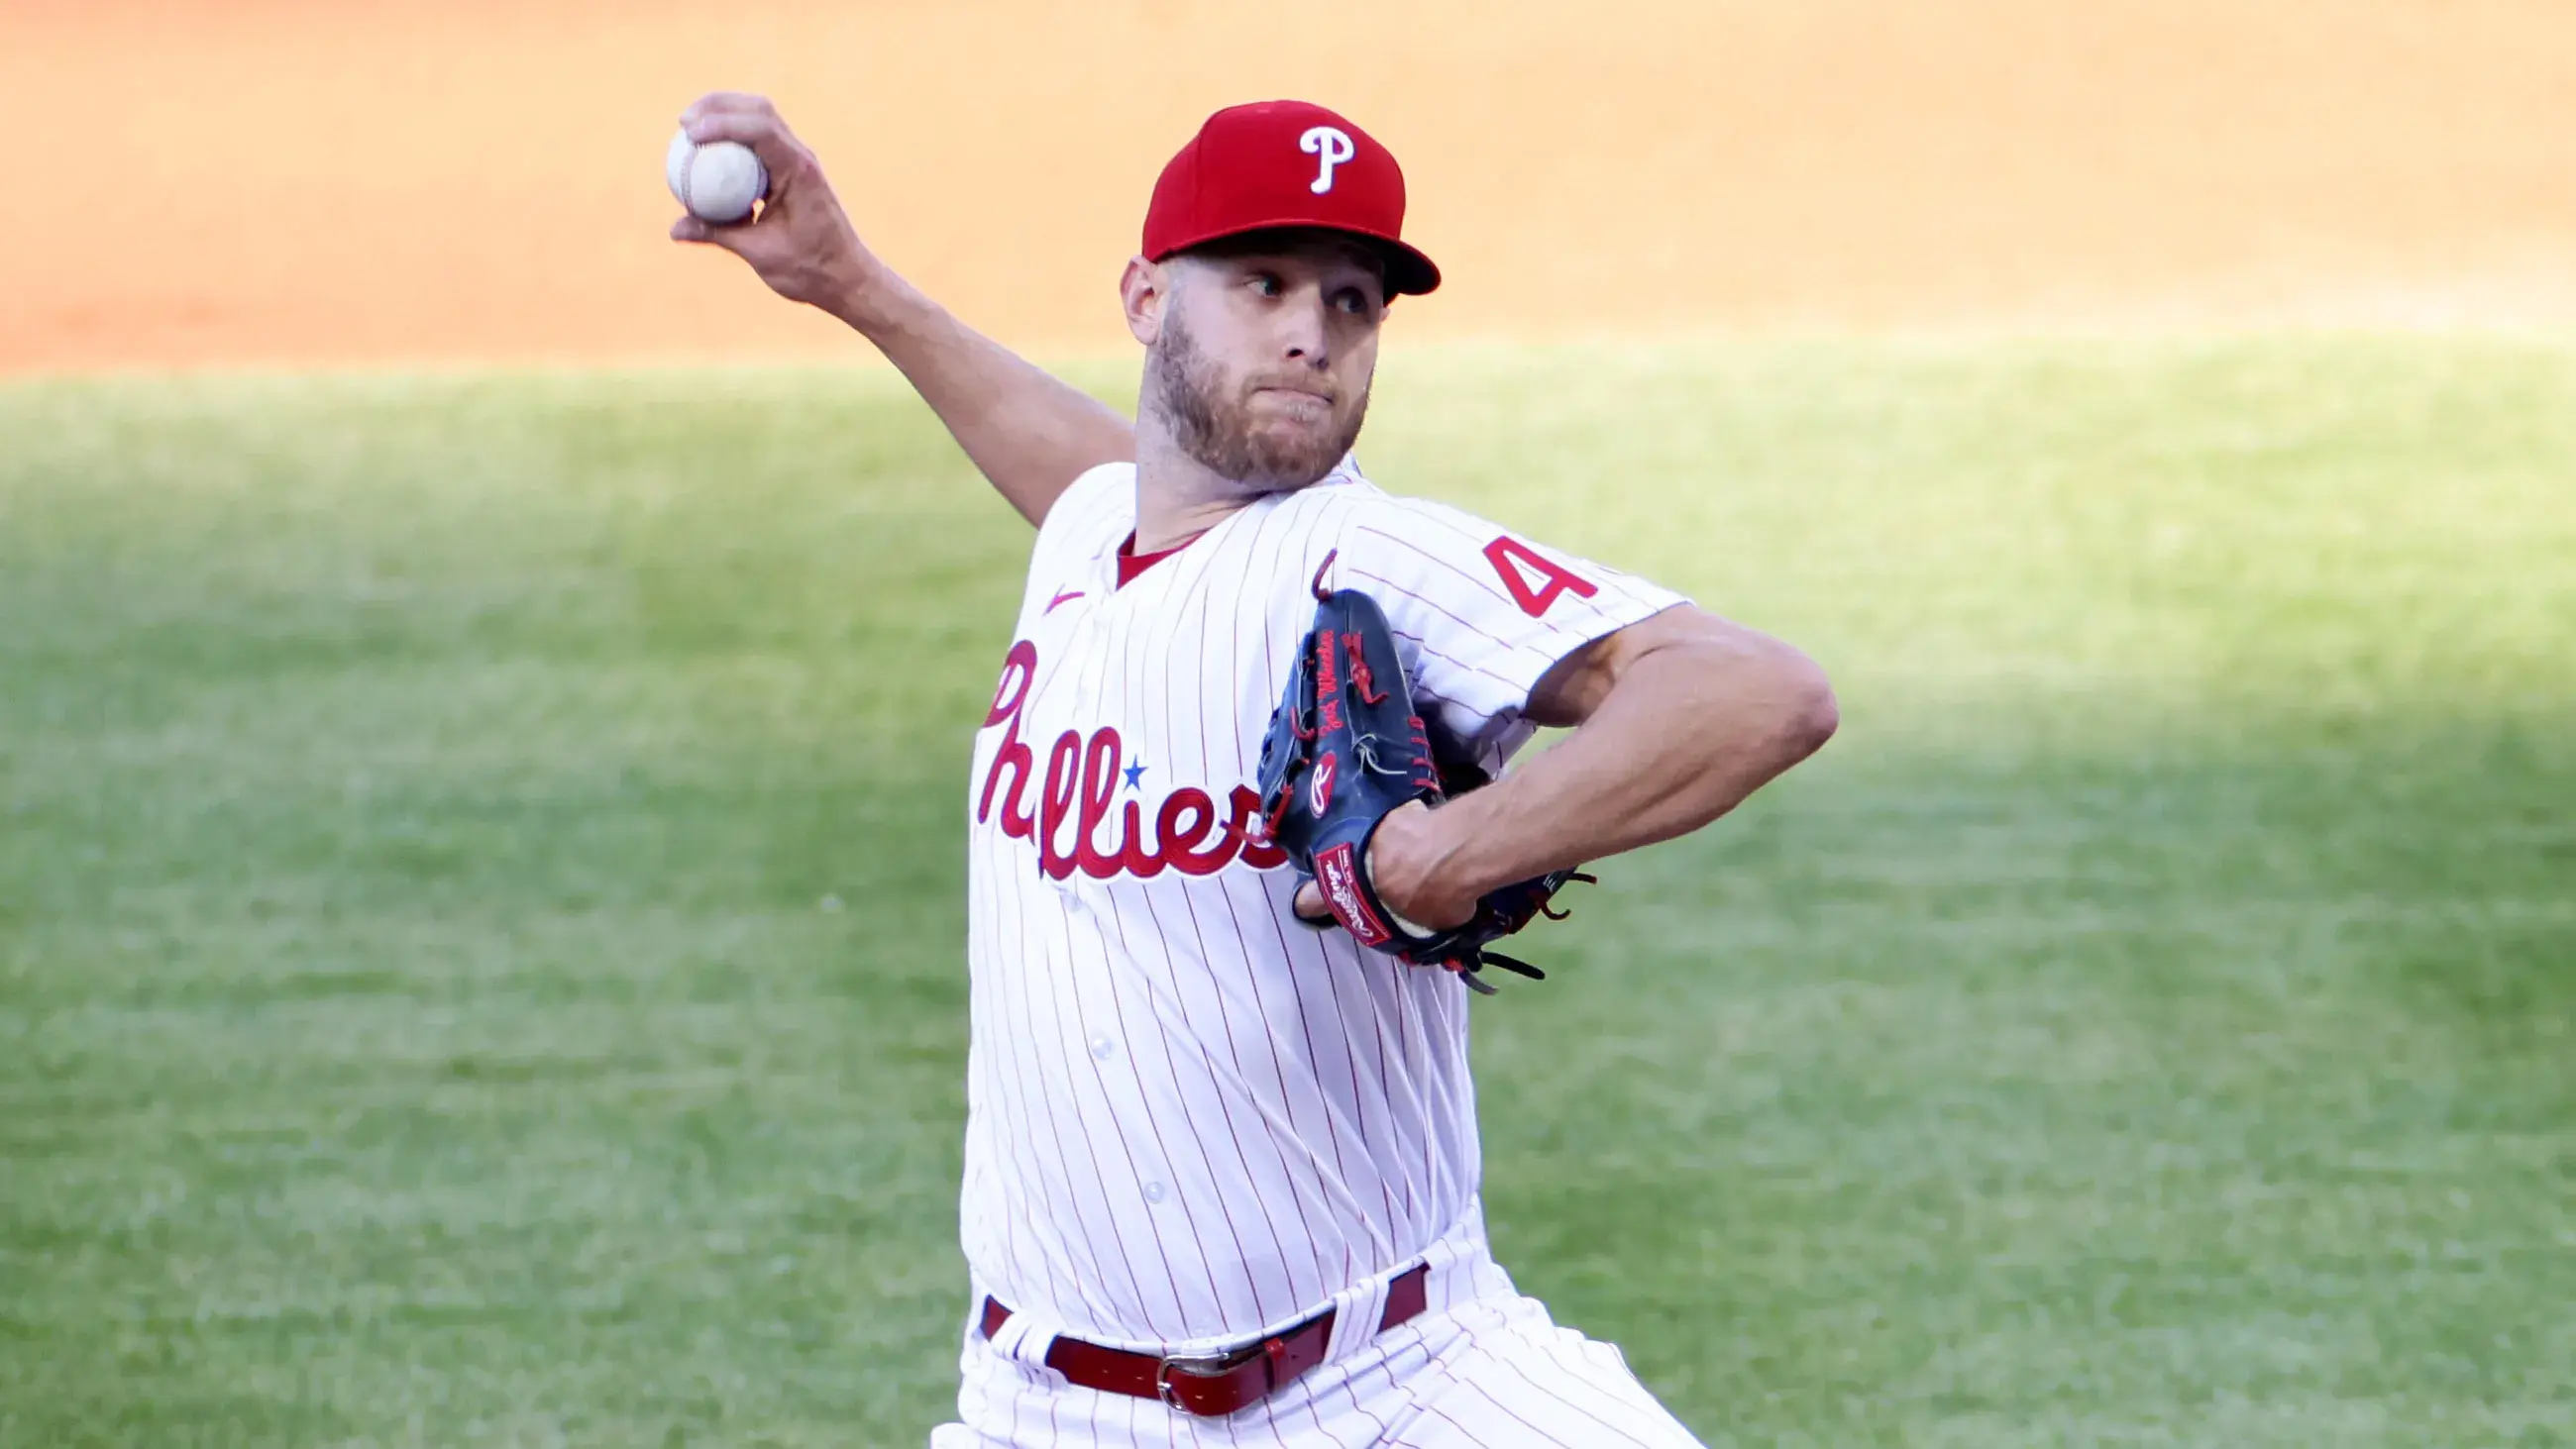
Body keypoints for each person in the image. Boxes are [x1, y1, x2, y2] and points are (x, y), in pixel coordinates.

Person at [673, 92, 1837, 1449]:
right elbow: (1095, 471)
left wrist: (1447, 853)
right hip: (1040, 1414)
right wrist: (849, 284)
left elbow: (1759, 690)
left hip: (1403, 1385)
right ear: (1146, 298)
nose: (1311, 331)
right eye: (1263, 283)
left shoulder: (1381, 561)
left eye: (1354, 302)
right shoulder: (1097, 528)